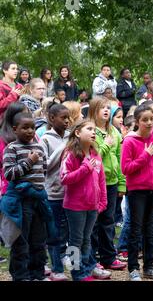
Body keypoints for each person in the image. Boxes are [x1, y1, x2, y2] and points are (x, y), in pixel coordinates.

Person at [121, 103, 153, 281]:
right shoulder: (129, 140)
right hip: (137, 192)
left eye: (151, 119)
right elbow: (126, 168)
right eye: (145, 120)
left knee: (151, 230)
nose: (149, 123)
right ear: (137, 121)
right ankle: (133, 268)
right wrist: (145, 155)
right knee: (135, 230)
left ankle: (149, 267)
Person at [0, 112, 50, 281]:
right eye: (25, 128)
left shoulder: (39, 147)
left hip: (38, 199)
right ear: (15, 129)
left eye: (32, 128)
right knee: (21, 241)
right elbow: (9, 174)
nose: (29, 131)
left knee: (38, 240)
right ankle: (21, 275)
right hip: (21, 201)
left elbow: (44, 171)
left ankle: (37, 273)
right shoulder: (11, 149)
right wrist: (28, 162)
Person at [60, 120, 108, 281]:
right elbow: (64, 178)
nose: (93, 132)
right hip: (75, 206)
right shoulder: (71, 153)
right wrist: (84, 168)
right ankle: (76, 273)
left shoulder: (95, 154)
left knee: (86, 240)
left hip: (92, 206)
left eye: (94, 129)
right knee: (75, 241)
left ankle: (86, 271)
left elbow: (101, 179)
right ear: (77, 133)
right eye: (89, 129)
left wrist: (103, 201)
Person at [88, 97, 127, 271]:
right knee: (93, 223)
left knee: (108, 221)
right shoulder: (90, 131)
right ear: (94, 110)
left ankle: (108, 257)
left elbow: (119, 158)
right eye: (101, 108)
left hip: (111, 183)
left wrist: (121, 184)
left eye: (107, 108)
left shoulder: (115, 132)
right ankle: (92, 258)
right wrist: (105, 145)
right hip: (94, 183)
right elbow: (93, 157)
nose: (105, 110)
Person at [39, 103, 71, 281]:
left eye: (68, 118)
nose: (67, 121)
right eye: (63, 118)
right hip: (52, 194)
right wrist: (62, 149)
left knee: (74, 234)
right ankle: (56, 269)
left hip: (72, 194)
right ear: (52, 119)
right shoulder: (45, 139)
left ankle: (75, 268)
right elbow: (45, 166)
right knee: (54, 233)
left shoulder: (70, 136)